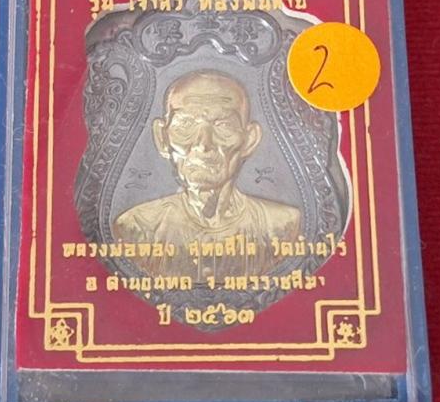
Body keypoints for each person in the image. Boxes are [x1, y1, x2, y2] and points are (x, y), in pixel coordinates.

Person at [112, 70, 301, 278]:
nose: (204, 144)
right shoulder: (138, 227)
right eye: (186, 124)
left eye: (223, 125)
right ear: (162, 138)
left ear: (249, 140)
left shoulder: (282, 225)